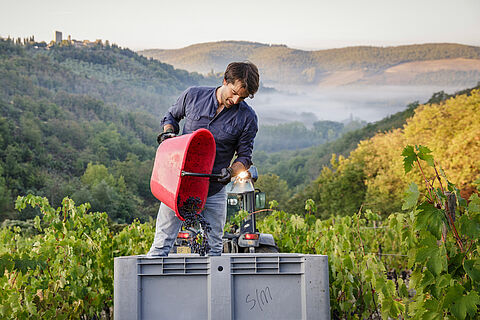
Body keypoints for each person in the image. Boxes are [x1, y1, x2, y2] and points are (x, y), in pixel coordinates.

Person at [147, 61, 260, 257]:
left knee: (214, 248)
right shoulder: (193, 96)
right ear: (224, 80)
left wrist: (231, 172)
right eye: (233, 92)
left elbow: (244, 157)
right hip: (180, 185)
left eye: (241, 98)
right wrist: (168, 133)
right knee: (162, 244)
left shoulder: (247, 117)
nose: (235, 100)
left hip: (214, 188)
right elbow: (170, 117)